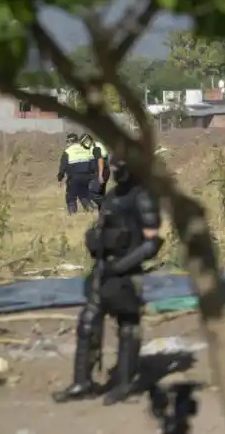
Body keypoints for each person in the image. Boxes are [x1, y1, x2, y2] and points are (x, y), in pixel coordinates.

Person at [53, 158, 164, 406]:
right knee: (88, 322)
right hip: (103, 270)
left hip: (127, 272)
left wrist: (123, 265)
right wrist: (93, 240)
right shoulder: (112, 196)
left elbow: (152, 242)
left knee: (128, 326)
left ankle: (125, 384)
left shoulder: (143, 197)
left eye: (120, 166)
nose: (115, 171)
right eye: (112, 166)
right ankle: (83, 382)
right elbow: (102, 226)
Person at [57, 132, 97, 213]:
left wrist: (60, 178)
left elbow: (63, 167)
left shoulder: (68, 152)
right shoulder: (86, 149)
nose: (67, 144)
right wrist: (93, 176)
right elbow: (93, 165)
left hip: (74, 178)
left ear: (69, 141)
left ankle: (73, 214)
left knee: (71, 196)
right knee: (84, 194)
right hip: (87, 177)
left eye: (67, 142)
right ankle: (90, 209)